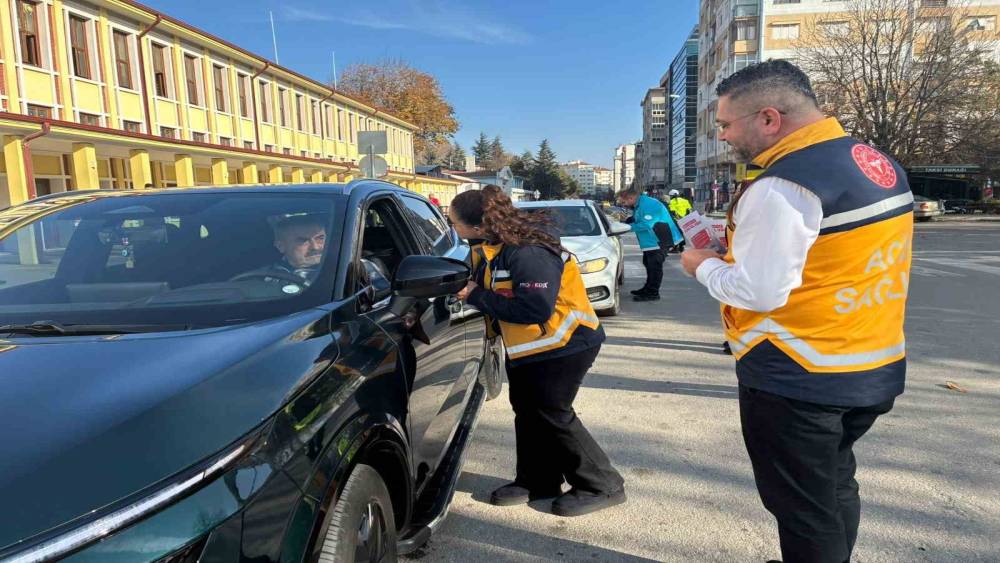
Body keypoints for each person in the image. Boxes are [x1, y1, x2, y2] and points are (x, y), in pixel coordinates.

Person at [680, 60, 912, 563]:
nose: (723, 137)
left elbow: (757, 291)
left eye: (725, 124)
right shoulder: (870, 159)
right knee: (832, 487)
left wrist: (700, 265)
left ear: (768, 118)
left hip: (799, 374)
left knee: (803, 509)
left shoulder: (783, 183)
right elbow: (828, 253)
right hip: (870, 360)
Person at [451, 185, 626, 517]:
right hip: (529, 347)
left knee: (552, 413)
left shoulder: (527, 251)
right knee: (528, 412)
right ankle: (537, 480)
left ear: (476, 225)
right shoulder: (488, 246)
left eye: (455, 223)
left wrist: (475, 295)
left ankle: (602, 484)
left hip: (565, 345)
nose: (453, 230)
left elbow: (535, 309)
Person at [618, 186, 683, 302]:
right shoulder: (639, 204)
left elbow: (647, 224)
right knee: (648, 263)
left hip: (659, 239)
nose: (624, 204)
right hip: (650, 241)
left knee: (654, 267)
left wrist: (626, 227)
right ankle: (647, 288)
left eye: (624, 202)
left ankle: (653, 293)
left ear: (631, 197)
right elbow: (639, 218)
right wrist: (630, 220)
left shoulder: (649, 204)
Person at [242, 215, 327, 287]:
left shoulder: (337, 272)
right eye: (303, 241)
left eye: (320, 238)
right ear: (280, 246)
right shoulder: (262, 277)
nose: (315, 247)